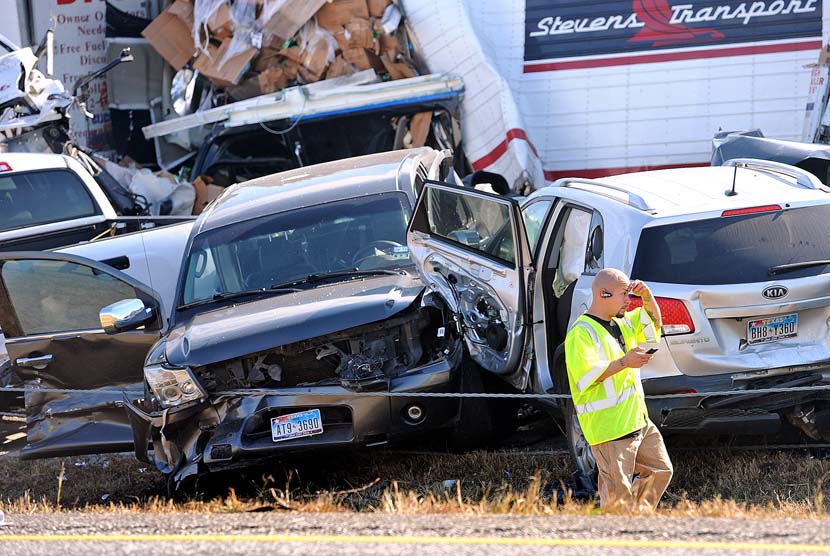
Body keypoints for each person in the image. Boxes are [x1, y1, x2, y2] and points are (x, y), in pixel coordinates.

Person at [564, 268, 673, 512]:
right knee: (617, 497)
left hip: (637, 420)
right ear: (603, 293)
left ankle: (636, 527)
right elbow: (585, 377)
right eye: (623, 294)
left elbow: (654, 326)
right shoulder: (581, 333)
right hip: (609, 429)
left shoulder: (622, 322)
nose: (628, 300)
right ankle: (620, 537)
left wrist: (648, 297)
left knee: (660, 470)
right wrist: (625, 362)